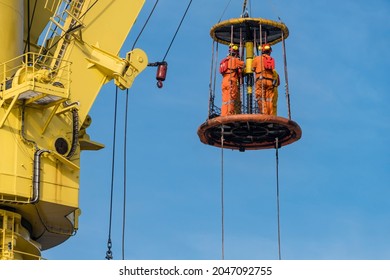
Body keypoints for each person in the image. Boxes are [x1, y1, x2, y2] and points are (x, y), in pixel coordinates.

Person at [252, 44, 279, 115]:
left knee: (260, 97)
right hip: (270, 82)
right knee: (269, 100)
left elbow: (252, 69)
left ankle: (264, 114)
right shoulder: (271, 60)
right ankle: (270, 116)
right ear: (269, 51)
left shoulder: (257, 58)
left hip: (260, 81)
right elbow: (278, 81)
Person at [219, 44, 244, 116]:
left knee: (225, 100)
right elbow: (243, 65)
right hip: (231, 81)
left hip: (224, 82)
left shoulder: (224, 61)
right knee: (231, 99)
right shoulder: (235, 60)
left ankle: (224, 114)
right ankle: (230, 114)